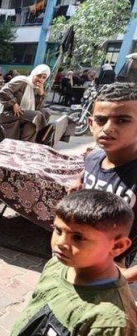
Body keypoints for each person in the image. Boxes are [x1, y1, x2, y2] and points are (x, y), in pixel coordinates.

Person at [11, 189, 137, 335]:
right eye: (58, 230)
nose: (60, 243)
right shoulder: (56, 265)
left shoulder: (109, 322)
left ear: (117, 246)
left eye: (78, 238)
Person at [68, 82, 137, 283]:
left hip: (110, 269)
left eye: (122, 120)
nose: (108, 128)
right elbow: (91, 171)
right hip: (78, 256)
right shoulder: (93, 158)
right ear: (90, 124)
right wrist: (79, 180)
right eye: (101, 120)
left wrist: (126, 276)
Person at [0, 64, 51, 143]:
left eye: (44, 78)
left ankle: (26, 143)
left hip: (22, 115)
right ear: (34, 74)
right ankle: (27, 143)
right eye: (39, 76)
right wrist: (14, 104)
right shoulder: (22, 81)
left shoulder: (35, 87)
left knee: (45, 112)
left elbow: (37, 107)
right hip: (8, 114)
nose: (40, 79)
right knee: (37, 115)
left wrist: (41, 94)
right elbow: (4, 91)